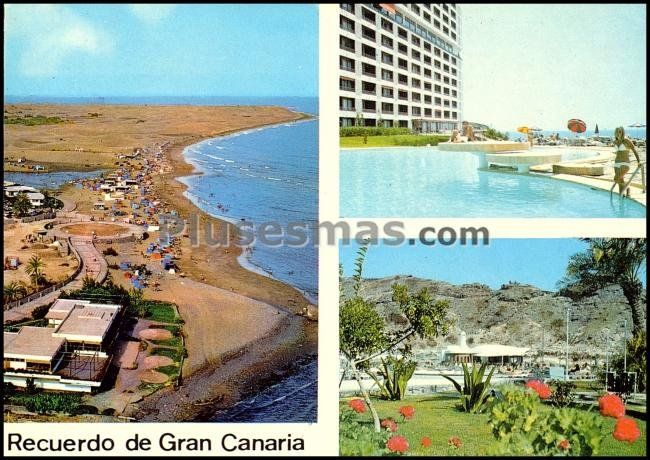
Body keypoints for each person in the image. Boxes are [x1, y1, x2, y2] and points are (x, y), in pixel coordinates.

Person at [613, 126, 641, 196]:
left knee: (616, 178)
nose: (618, 133)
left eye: (620, 131)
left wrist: (639, 161)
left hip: (625, 163)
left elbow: (634, 150)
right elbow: (618, 153)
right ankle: (621, 198)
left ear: (622, 132)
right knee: (620, 181)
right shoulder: (615, 141)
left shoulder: (626, 140)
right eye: (617, 132)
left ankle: (627, 188)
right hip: (616, 164)